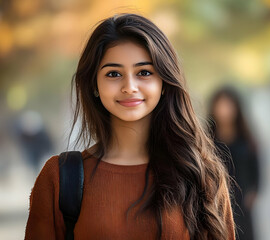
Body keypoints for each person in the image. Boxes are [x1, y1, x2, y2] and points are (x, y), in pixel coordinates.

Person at [25, 13, 235, 240]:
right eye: (113, 74)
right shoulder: (59, 178)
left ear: (164, 82)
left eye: (144, 72)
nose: (129, 87)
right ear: (94, 84)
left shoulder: (201, 174)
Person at [208, 87, 260, 240]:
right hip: (215, 201)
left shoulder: (246, 138)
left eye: (228, 105)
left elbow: (256, 169)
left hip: (242, 201)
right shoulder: (206, 138)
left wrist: (253, 193)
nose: (224, 110)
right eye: (220, 105)